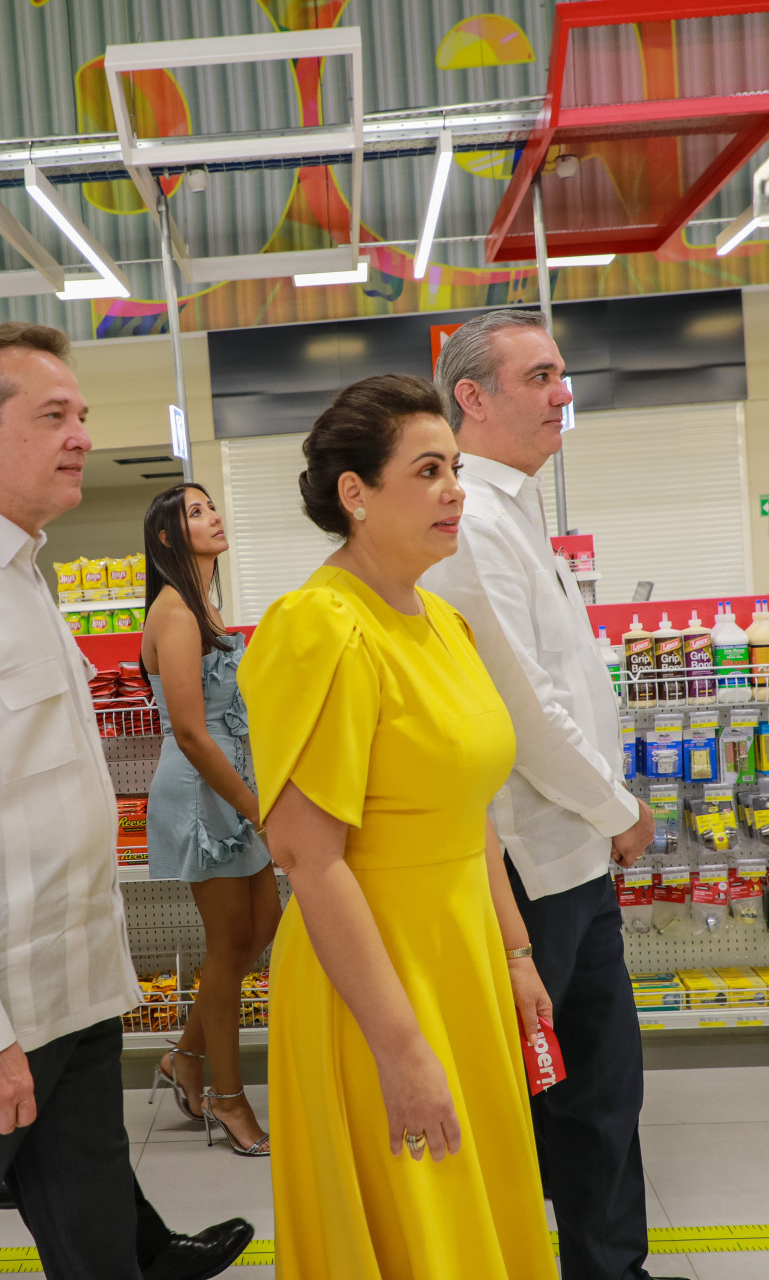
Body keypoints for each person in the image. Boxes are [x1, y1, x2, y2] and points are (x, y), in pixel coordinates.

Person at [0, 324, 251, 1280]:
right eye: (54, 415)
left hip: (74, 995)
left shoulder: (24, 578)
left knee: (99, 1246)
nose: (81, 436)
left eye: (82, 415)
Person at [239, 374, 556, 1280]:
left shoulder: (443, 622)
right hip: (375, 982)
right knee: (417, 1221)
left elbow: (472, 810)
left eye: (455, 468)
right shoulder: (320, 627)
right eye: (427, 471)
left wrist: (516, 953)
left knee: (478, 1209)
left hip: (462, 960)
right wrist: (401, 1047)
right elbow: (307, 856)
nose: (455, 490)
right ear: (356, 493)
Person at [422, 309, 669, 1280]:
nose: (564, 392)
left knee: (602, 1091)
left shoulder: (517, 512)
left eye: (563, 374)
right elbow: (523, 708)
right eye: (540, 376)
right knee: (533, 1099)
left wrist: (605, 810)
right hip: (530, 868)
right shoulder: (472, 524)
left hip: (578, 858)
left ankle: (613, 1268)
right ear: (472, 398)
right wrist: (619, 807)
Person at [139, 483, 277, 1157]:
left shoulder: (205, 606)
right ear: (168, 537)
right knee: (228, 946)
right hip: (202, 792)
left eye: (212, 505)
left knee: (263, 926)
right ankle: (228, 1097)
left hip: (234, 782)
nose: (214, 516)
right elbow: (192, 733)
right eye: (196, 513)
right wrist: (254, 807)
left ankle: (186, 1057)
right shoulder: (175, 613)